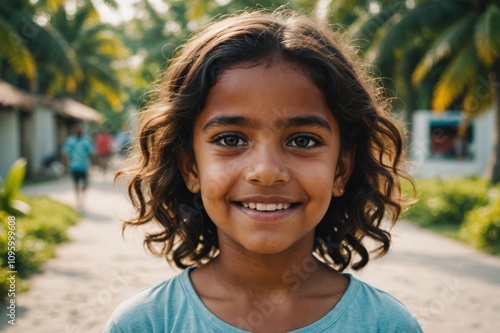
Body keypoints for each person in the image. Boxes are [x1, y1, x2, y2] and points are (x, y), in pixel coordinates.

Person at [105, 10, 422, 333]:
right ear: (191, 168)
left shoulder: (387, 325)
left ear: (341, 170)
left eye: (303, 140)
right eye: (231, 139)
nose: (267, 172)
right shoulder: (145, 324)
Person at [62, 123, 94, 209]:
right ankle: (78, 200)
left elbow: (91, 153)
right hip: (74, 166)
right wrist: (64, 165)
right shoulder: (70, 141)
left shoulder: (86, 141)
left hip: (84, 166)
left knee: (85, 184)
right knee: (76, 184)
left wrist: (93, 165)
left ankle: (82, 199)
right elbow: (65, 153)